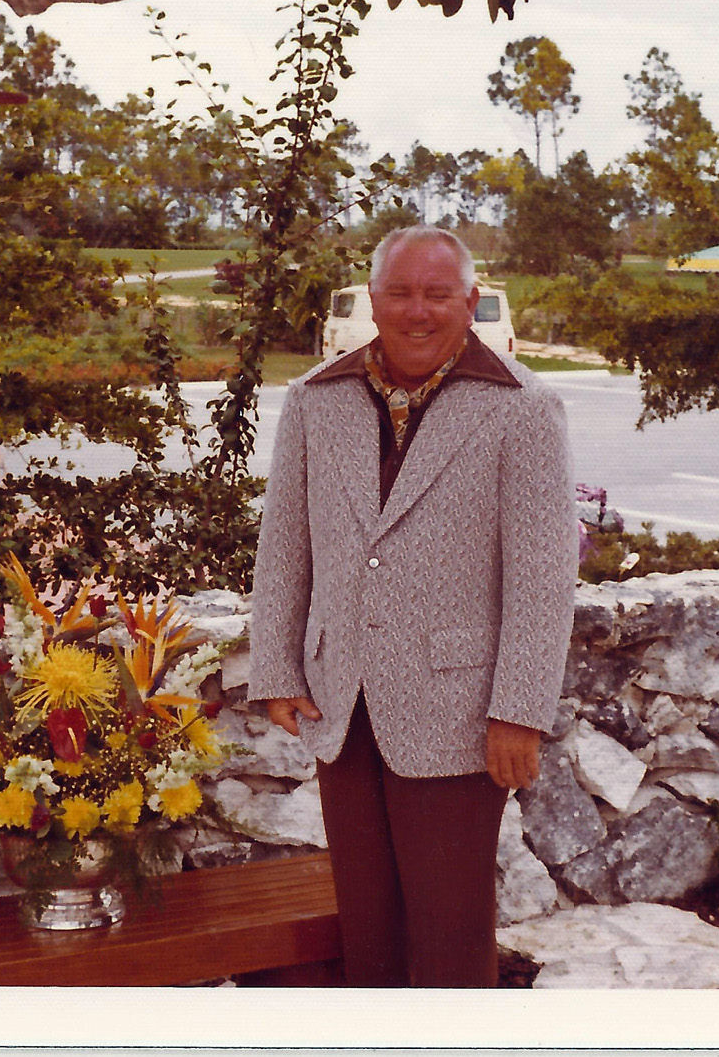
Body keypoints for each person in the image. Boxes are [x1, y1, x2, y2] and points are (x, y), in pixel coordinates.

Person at [248, 224, 578, 987]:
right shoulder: (313, 400)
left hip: (461, 711)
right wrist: (276, 665)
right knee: (367, 924)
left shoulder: (524, 408)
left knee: (449, 928)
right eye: (400, 293)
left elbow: (542, 577)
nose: (417, 311)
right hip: (341, 704)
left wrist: (519, 711)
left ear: (470, 302)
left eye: (437, 295)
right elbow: (284, 546)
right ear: (373, 300)